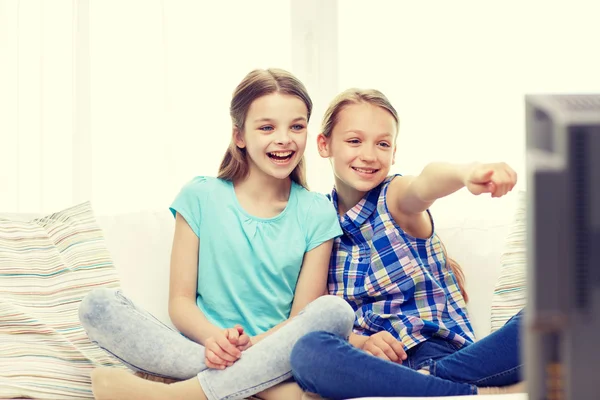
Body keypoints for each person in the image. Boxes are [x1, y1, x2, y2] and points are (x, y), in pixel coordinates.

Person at [78, 68, 355, 400]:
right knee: (97, 306)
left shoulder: (316, 211)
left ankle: (177, 394)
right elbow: (180, 301)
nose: (284, 138)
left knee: (335, 312)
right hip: (203, 347)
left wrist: (249, 349)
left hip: (274, 349)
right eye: (267, 127)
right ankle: (262, 389)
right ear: (239, 136)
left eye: (296, 126)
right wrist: (215, 342)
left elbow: (301, 318)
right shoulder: (201, 195)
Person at [290, 88, 525, 398]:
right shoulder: (317, 221)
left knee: (555, 311)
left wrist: (466, 172)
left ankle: (435, 384)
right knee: (308, 349)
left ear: (394, 153)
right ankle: (459, 393)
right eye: (354, 140)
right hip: (375, 366)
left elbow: (426, 182)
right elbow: (312, 317)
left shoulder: (394, 196)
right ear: (324, 144)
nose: (370, 155)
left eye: (382, 144)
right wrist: (361, 343)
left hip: (444, 357)